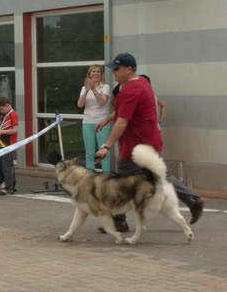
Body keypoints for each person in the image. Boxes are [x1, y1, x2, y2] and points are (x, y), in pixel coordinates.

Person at [94, 54, 205, 230]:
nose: (113, 72)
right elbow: (125, 112)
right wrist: (107, 119)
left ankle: (118, 221)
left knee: (121, 182)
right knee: (159, 176)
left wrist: (106, 146)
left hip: (136, 147)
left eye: (117, 69)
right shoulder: (141, 83)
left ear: (129, 69)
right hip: (147, 142)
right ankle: (193, 200)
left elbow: (122, 121)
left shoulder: (131, 90)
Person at [78, 64, 112, 171]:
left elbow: (102, 102)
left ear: (101, 74)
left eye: (98, 71)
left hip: (101, 122)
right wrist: (87, 90)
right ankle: (90, 177)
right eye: (93, 71)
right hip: (87, 122)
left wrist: (94, 89)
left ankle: (106, 177)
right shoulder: (84, 88)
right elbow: (80, 104)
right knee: (89, 153)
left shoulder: (105, 87)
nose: (96, 73)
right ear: (89, 74)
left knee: (104, 152)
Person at [0, 96, 18, 195]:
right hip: (5, 143)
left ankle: (8, 188)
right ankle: (12, 185)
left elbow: (15, 129)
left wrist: (2, 132)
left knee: (7, 167)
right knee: (8, 165)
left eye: (2, 109)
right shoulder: (8, 114)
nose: (1, 112)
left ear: (7, 105)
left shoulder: (13, 114)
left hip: (9, 144)